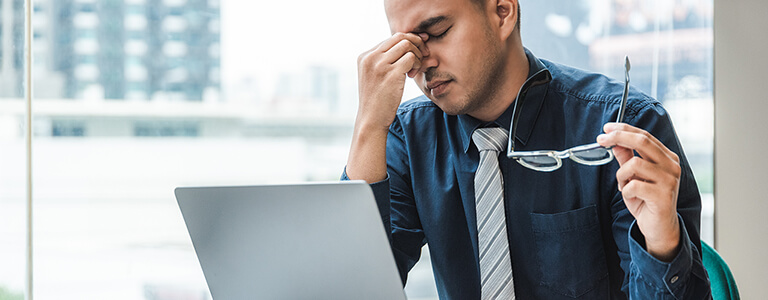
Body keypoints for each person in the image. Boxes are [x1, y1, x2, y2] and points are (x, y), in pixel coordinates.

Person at [342, 0, 712, 298]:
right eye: (406, 47)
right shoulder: (408, 137)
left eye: (437, 33)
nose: (422, 64)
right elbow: (352, 287)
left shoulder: (623, 124)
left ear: (503, 12)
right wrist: (368, 126)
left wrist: (663, 243)